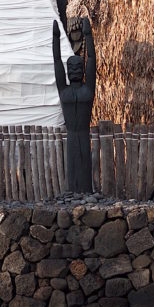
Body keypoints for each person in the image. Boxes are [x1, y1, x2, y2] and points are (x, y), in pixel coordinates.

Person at [52, 18, 95, 193]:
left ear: (83, 70)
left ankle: (85, 192)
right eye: (72, 68)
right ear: (68, 71)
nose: (75, 70)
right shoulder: (64, 90)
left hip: (84, 134)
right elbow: (56, 61)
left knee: (85, 164)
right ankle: (73, 192)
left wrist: (88, 35)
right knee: (72, 167)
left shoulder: (88, 89)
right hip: (71, 134)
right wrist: (55, 38)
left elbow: (92, 58)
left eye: (79, 67)